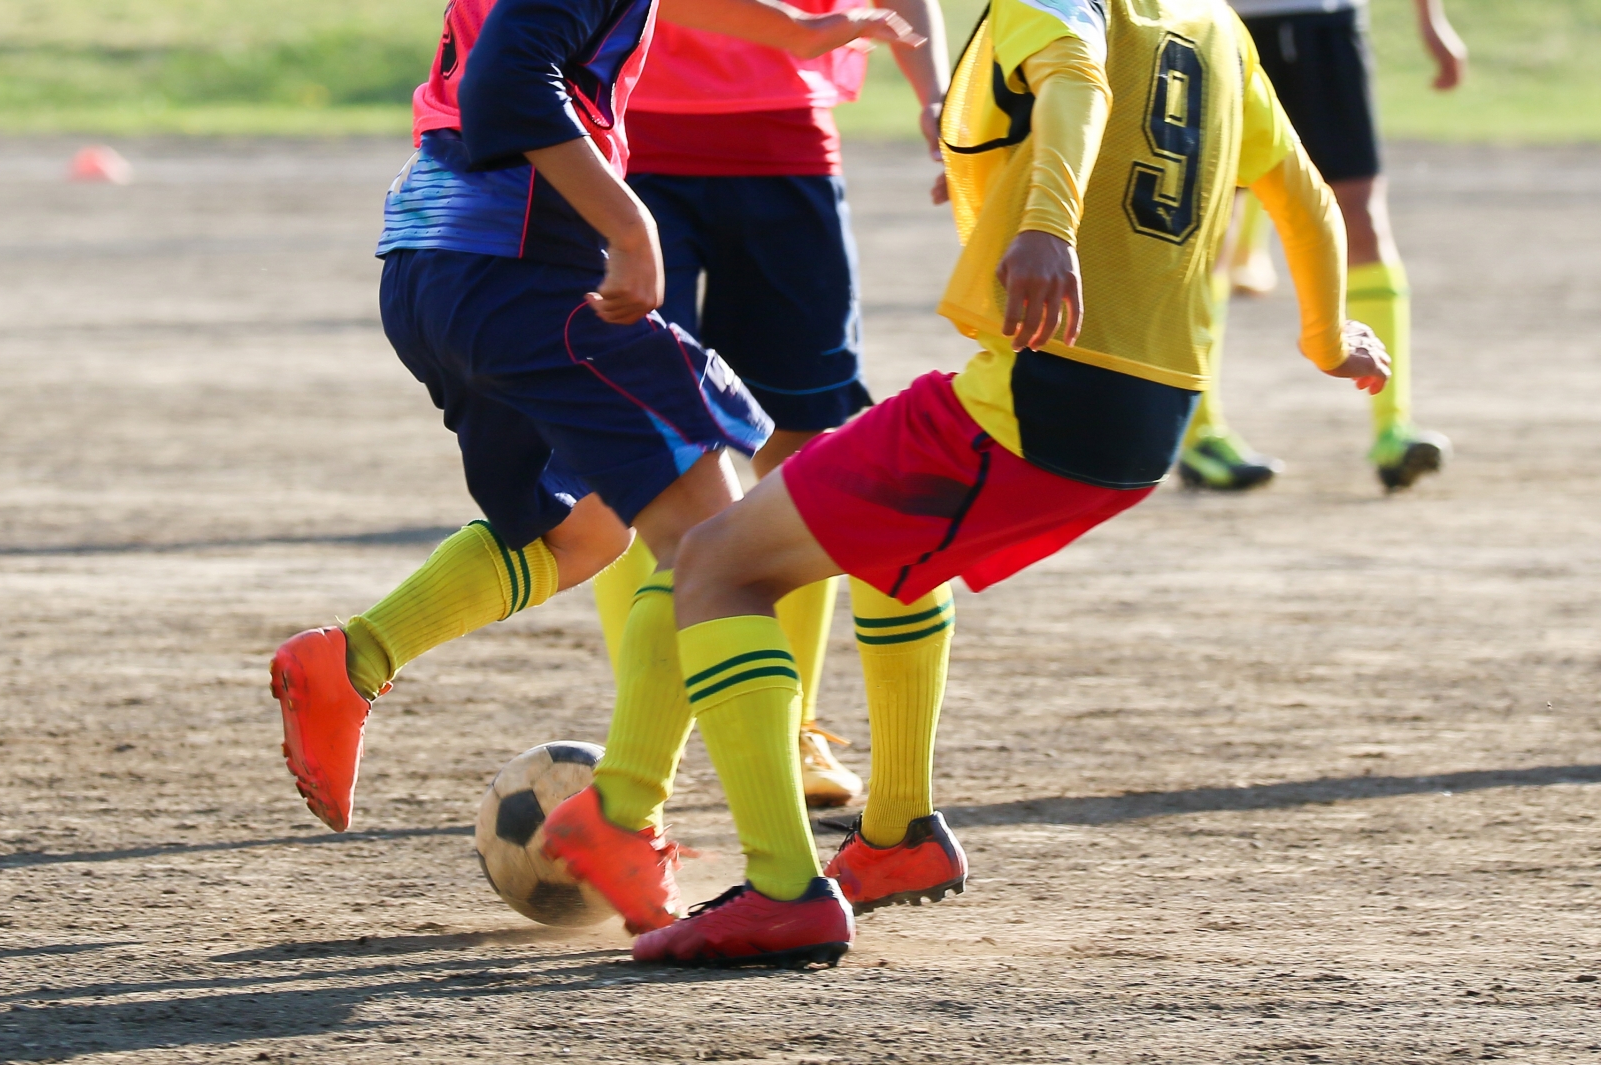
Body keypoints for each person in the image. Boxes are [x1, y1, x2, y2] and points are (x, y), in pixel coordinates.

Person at [556, 0, 1393, 966]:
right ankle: (901, 835)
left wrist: (1046, 227)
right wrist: (1329, 337)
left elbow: (1076, 80)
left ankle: (773, 885)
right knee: (881, 546)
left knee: (713, 564)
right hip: (1149, 415)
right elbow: (1299, 185)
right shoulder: (1211, 24)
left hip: (1031, 396)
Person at [266, 0, 915, 844]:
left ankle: (354, 660)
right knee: (723, 552)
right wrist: (630, 223)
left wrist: (791, 31)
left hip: (438, 264)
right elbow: (511, 77)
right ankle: (741, 867)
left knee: (584, 531)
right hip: (520, 269)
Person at [587, 0, 951, 811]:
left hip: (790, 137)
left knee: (805, 437)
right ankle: (653, 731)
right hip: (623, 133)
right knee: (642, 440)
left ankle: (790, 719)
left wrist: (935, 88)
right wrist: (793, 30)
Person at [1178, 0, 1466, 492]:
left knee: (1362, 218)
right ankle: (1199, 434)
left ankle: (1393, 429)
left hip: (1325, 22)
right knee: (1210, 227)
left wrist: (1430, 18)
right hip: (1217, 24)